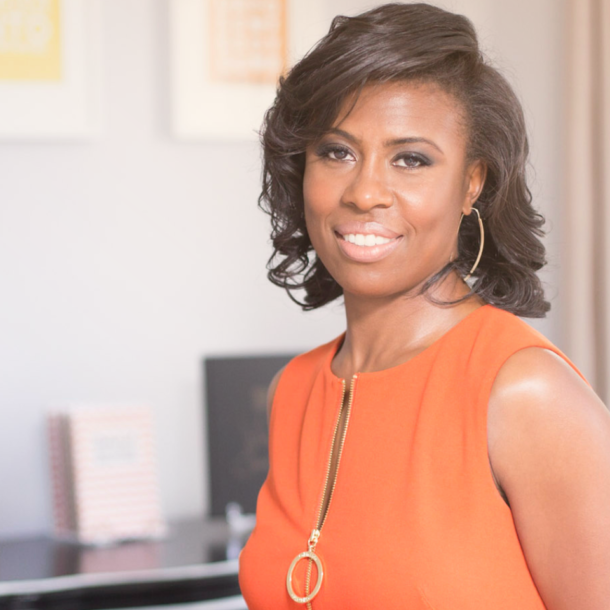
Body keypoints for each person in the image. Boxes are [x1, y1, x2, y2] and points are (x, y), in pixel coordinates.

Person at [238, 3, 610, 609]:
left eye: (410, 159)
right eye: (337, 152)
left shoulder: (525, 395)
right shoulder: (294, 390)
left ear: (472, 184)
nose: (364, 192)